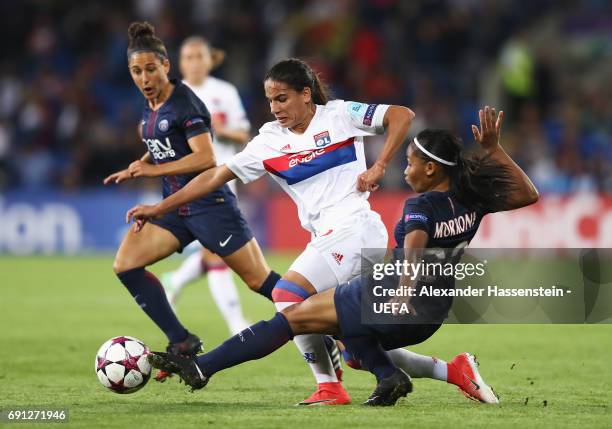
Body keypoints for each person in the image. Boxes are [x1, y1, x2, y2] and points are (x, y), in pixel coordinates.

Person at [138, 106, 539, 406]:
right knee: (351, 346)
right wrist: (495, 149)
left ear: (432, 171)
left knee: (292, 314)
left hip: (395, 300)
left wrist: (401, 290)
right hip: (432, 312)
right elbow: (528, 195)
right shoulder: (470, 201)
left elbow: (414, 251)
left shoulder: (420, 207)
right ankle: (397, 375)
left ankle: (202, 367)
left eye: (412, 161)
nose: (406, 166)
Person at [124, 57, 416, 405]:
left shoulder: (340, 115)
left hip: (357, 229)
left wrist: (380, 164)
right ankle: (407, 374)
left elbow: (401, 115)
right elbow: (215, 176)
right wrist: (161, 207)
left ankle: (328, 386)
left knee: (287, 295)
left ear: (306, 94)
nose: (275, 108)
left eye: (282, 98)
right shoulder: (268, 141)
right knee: (345, 335)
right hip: (327, 236)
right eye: (270, 100)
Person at [103, 22, 281, 379]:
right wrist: (143, 162)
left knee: (260, 282)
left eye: (151, 69)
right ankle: (181, 341)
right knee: (126, 264)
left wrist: (152, 173)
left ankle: (329, 318)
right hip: (176, 208)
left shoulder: (185, 102)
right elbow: (165, 143)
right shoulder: (150, 104)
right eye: (136, 71)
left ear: (166, 66)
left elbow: (204, 158)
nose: (144, 77)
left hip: (210, 206)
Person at [160, 36, 252, 335]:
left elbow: (243, 135)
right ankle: (235, 322)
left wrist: (219, 131)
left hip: (222, 177)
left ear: (209, 60)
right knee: (219, 251)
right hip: (189, 183)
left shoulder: (224, 92)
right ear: (180, 62)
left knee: (218, 249)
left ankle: (175, 281)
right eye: (188, 57)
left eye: (200, 56)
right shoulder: (173, 94)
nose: (195, 62)